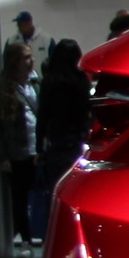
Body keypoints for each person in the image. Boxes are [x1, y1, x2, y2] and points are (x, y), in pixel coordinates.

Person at [32, 39, 89, 241]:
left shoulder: (50, 81)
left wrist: (39, 146)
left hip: (56, 141)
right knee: (77, 188)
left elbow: (43, 116)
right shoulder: (82, 80)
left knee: (55, 188)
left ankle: (56, 232)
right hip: (78, 140)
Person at [0, 38, 39, 247]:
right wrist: (3, 156)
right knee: (19, 198)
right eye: (25, 57)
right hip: (17, 151)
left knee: (39, 194)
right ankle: (26, 237)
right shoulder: (2, 90)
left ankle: (38, 232)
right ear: (14, 61)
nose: (31, 61)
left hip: (38, 149)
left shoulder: (35, 84)